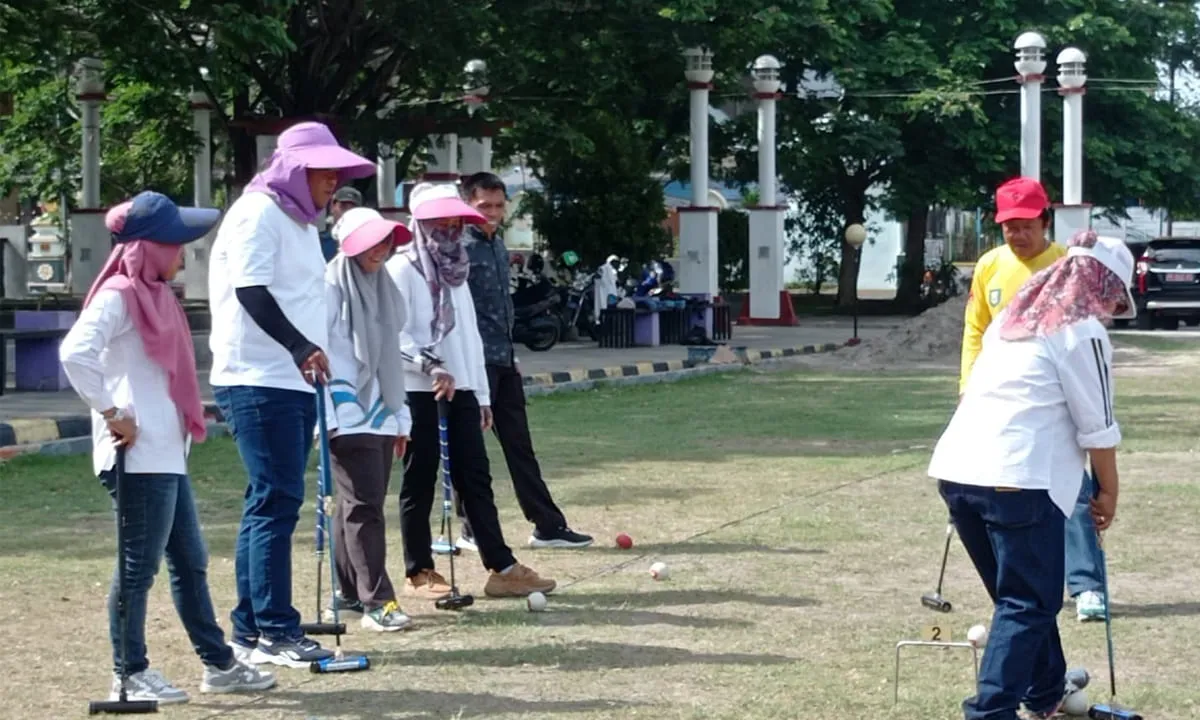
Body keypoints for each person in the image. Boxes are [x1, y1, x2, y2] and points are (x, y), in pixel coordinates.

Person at [59, 192, 276, 704]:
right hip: (134, 457)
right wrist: (112, 412)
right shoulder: (118, 294)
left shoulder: (156, 296)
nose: (185, 252)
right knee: (139, 567)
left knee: (190, 559)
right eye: (178, 242)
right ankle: (129, 673)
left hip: (164, 453)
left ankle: (219, 663)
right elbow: (75, 353)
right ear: (152, 246)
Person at [929, 229, 1132, 720]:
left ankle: (1045, 693)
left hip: (958, 473)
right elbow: (1097, 427)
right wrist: (1108, 492)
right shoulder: (1082, 331)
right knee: (1028, 603)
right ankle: (989, 712)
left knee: (1020, 597)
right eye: (1113, 298)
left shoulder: (1009, 324)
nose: (1110, 310)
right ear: (1101, 286)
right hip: (1018, 480)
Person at [208, 121, 376, 667]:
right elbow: (250, 290)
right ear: (295, 170)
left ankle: (251, 629)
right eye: (324, 171)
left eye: (336, 173)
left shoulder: (299, 221)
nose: (333, 182)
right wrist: (300, 346)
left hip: (289, 379)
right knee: (274, 502)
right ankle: (276, 630)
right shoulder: (257, 213)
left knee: (271, 502)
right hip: (258, 377)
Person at [387, 182, 558, 599]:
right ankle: (420, 570)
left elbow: (469, 338)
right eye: (440, 219)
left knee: (476, 476)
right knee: (420, 477)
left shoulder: (457, 268)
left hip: (461, 384)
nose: (449, 227)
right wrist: (430, 365)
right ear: (420, 222)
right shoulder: (401, 269)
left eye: (454, 219)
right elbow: (394, 334)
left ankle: (501, 566)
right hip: (417, 386)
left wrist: (480, 392)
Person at [960, 176, 1108, 622]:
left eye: (1026, 225)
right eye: (1009, 226)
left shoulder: (1066, 264)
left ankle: (1085, 585)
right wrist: (967, 387)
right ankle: (1021, 583)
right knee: (1008, 490)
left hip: (1055, 397)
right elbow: (974, 329)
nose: (1017, 234)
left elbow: (1083, 336)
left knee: (1073, 490)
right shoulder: (989, 265)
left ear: (1045, 221)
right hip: (998, 397)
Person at [457, 171, 593, 550]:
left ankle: (547, 525)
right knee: (471, 453)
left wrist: (512, 353)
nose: (494, 213)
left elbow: (502, 309)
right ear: (468, 203)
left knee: (520, 446)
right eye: (485, 206)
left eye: (500, 206)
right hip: (471, 364)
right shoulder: (458, 248)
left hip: (503, 360)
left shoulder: (497, 245)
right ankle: (470, 529)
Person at [321, 206, 415, 631]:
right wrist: (330, 415)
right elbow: (316, 355)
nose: (380, 250)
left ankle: (348, 595)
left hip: (382, 411)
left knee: (354, 508)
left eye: (384, 241)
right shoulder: (329, 288)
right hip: (346, 411)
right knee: (365, 509)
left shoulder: (382, 286)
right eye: (370, 241)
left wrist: (400, 416)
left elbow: (390, 355)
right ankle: (378, 601)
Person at [318, 186, 363, 261]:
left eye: (352, 209)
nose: (346, 213)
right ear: (332, 207)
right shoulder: (318, 242)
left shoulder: (364, 246)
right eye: (343, 207)